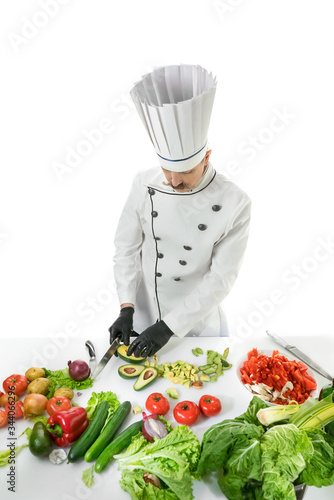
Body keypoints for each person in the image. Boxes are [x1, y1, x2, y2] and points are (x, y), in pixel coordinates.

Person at [109, 64, 251, 358]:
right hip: (144, 319)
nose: (173, 182)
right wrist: (126, 307)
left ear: (207, 157)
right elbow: (126, 248)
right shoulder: (143, 183)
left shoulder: (235, 202)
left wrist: (168, 328)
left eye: (184, 171)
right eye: (166, 170)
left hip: (198, 326)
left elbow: (221, 278)